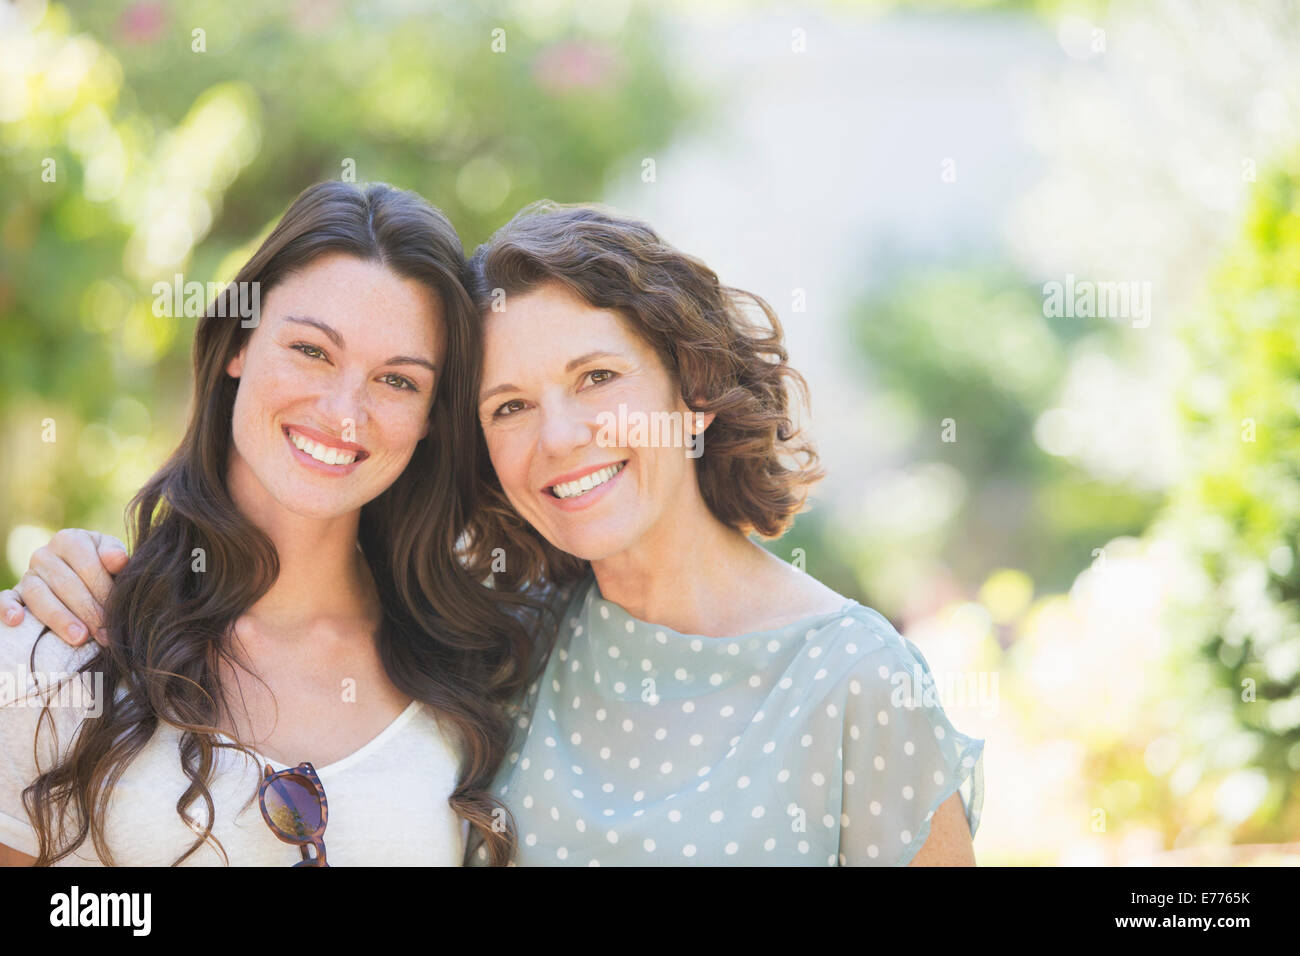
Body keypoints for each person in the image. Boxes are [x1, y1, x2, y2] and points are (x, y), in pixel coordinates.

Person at [5, 201, 985, 866]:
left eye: (597, 378)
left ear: (693, 390)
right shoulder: (510, 640)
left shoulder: (858, 680)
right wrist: (89, 573)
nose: (558, 438)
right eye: (509, 405)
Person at [0, 181, 537, 866]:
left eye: (397, 381)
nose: (345, 410)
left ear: (432, 418)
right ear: (238, 346)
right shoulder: (58, 646)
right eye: (312, 351)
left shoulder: (478, 665)